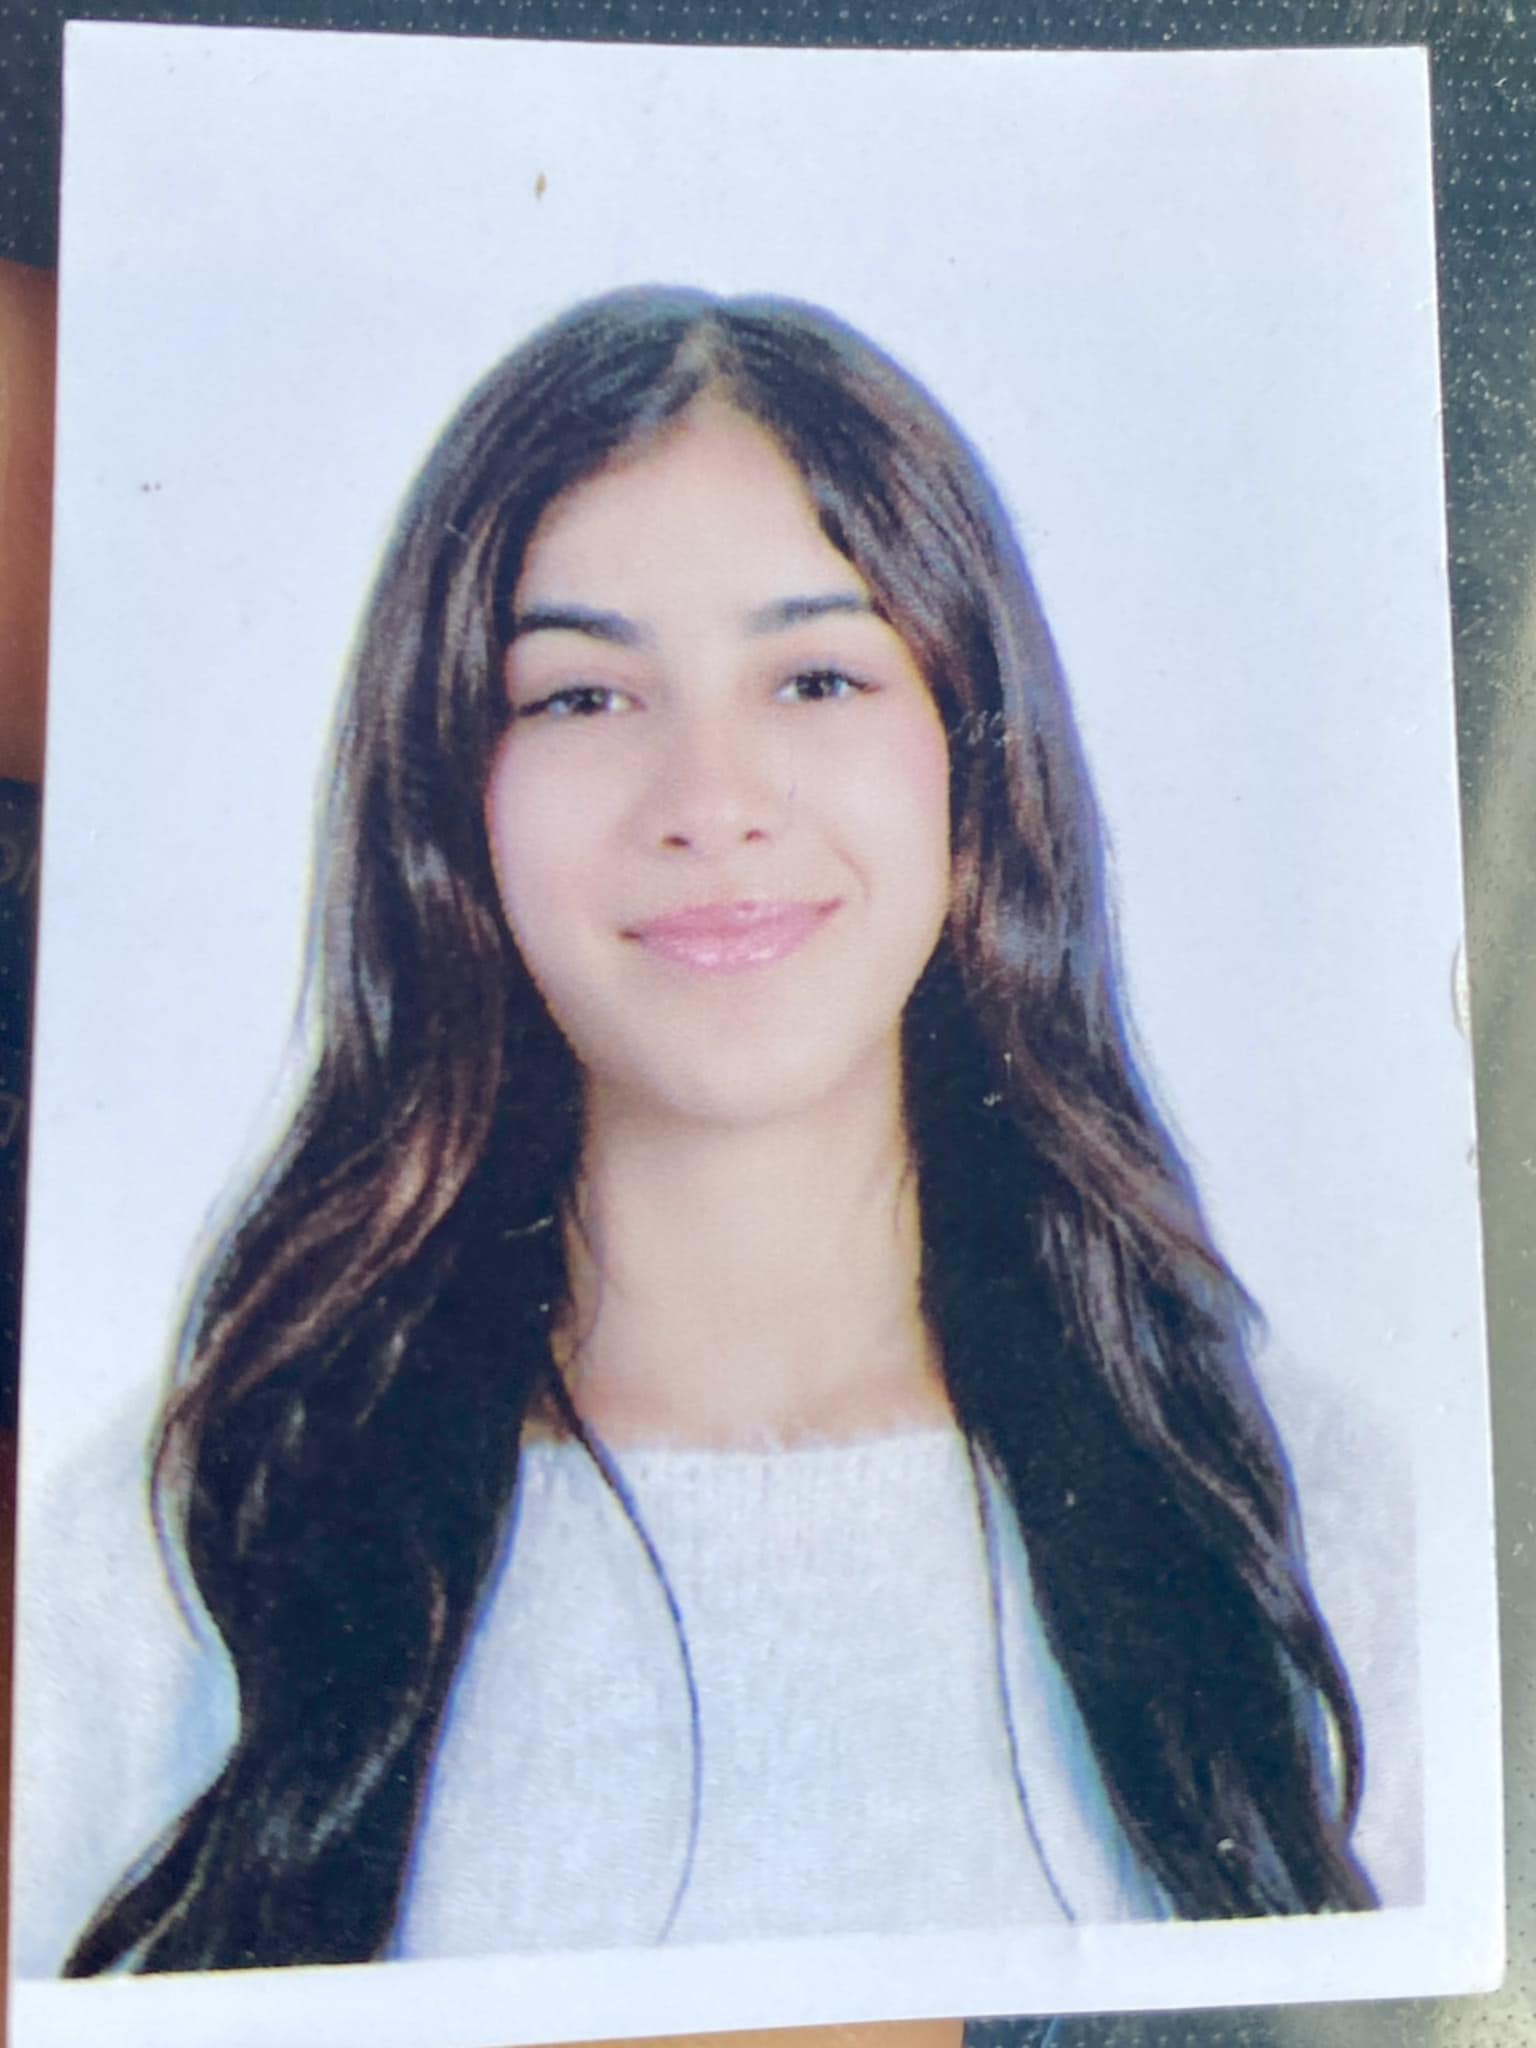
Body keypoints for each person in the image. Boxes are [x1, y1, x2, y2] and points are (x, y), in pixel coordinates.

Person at [25, 285, 1380, 1981]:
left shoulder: (1293, 1508)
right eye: (584, 697)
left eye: (814, 676)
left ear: (974, 766)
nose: (710, 801)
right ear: (448, 798)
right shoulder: (184, 1537)